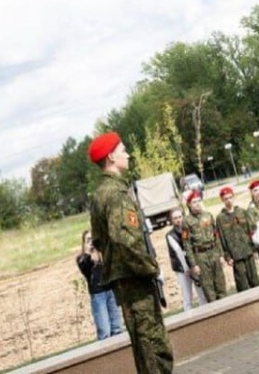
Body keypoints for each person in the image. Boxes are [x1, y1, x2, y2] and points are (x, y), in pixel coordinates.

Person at [87, 132, 173, 373]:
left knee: (145, 348)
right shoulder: (116, 194)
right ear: (111, 157)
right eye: (123, 150)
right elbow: (124, 241)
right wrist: (151, 268)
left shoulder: (100, 194)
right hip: (136, 280)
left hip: (126, 280)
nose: (128, 154)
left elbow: (100, 241)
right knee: (154, 349)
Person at [76, 230, 124, 340]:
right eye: (88, 240)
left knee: (117, 328)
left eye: (93, 239)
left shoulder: (103, 254)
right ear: (84, 243)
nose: (91, 243)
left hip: (110, 291)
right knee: (104, 330)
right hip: (98, 294)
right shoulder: (82, 259)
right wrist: (89, 255)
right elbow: (85, 269)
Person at [182, 190, 227, 303]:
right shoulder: (186, 221)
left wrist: (221, 255)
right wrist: (194, 264)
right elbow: (187, 245)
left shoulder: (208, 215)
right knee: (209, 288)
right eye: (194, 202)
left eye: (199, 201)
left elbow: (216, 236)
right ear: (189, 204)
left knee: (220, 284)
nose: (197, 204)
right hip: (200, 256)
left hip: (214, 252)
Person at [215, 186, 259, 293]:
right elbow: (221, 239)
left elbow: (250, 231)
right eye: (226, 199)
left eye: (230, 197)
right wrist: (227, 256)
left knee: (255, 281)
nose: (229, 200)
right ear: (222, 200)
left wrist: (254, 249)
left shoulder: (242, 212)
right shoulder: (220, 218)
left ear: (233, 197)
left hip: (248, 251)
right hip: (235, 256)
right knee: (243, 285)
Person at [164, 208, 206, 311]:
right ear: (171, 220)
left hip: (193, 265)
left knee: (201, 292)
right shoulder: (170, 235)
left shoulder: (187, 230)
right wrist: (186, 268)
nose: (178, 220)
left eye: (180, 217)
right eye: (175, 218)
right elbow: (178, 251)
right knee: (187, 296)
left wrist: (193, 265)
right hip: (181, 268)